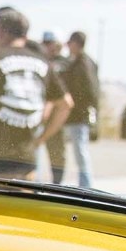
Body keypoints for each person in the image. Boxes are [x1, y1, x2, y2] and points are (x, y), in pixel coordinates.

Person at [0, 9, 72, 181]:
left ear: (0, 30)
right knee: (20, 208)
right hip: (25, 165)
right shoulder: (43, 62)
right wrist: (41, 139)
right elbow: (65, 104)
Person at [62, 30, 100, 188]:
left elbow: (91, 91)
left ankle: (86, 186)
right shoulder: (77, 62)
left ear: (76, 44)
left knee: (80, 152)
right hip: (74, 115)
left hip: (78, 115)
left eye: (70, 43)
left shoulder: (83, 64)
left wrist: (83, 107)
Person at [40, 30, 69, 183]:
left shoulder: (63, 63)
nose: (48, 47)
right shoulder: (40, 61)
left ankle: (57, 184)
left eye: (50, 43)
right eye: (45, 43)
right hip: (39, 114)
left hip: (57, 114)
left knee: (56, 151)